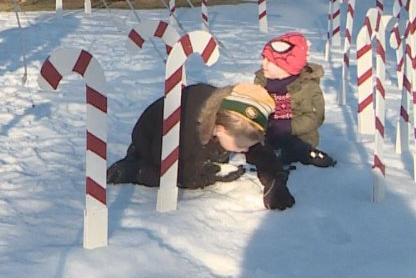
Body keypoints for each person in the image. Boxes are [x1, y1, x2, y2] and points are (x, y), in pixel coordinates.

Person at [107, 83, 295, 210]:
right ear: (220, 130)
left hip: (203, 139)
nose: (245, 151)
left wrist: (274, 179)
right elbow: (182, 173)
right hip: (155, 144)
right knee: (166, 177)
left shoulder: (232, 117)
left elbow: (257, 148)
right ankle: (131, 170)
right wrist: (210, 174)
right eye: (242, 147)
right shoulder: (192, 130)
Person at [254, 32, 335, 168]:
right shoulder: (261, 81)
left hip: (297, 135)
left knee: (294, 147)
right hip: (266, 132)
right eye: (263, 59)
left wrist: (288, 126)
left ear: (287, 66)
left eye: (269, 61)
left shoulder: (307, 87)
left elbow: (315, 117)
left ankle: (308, 154)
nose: (263, 64)